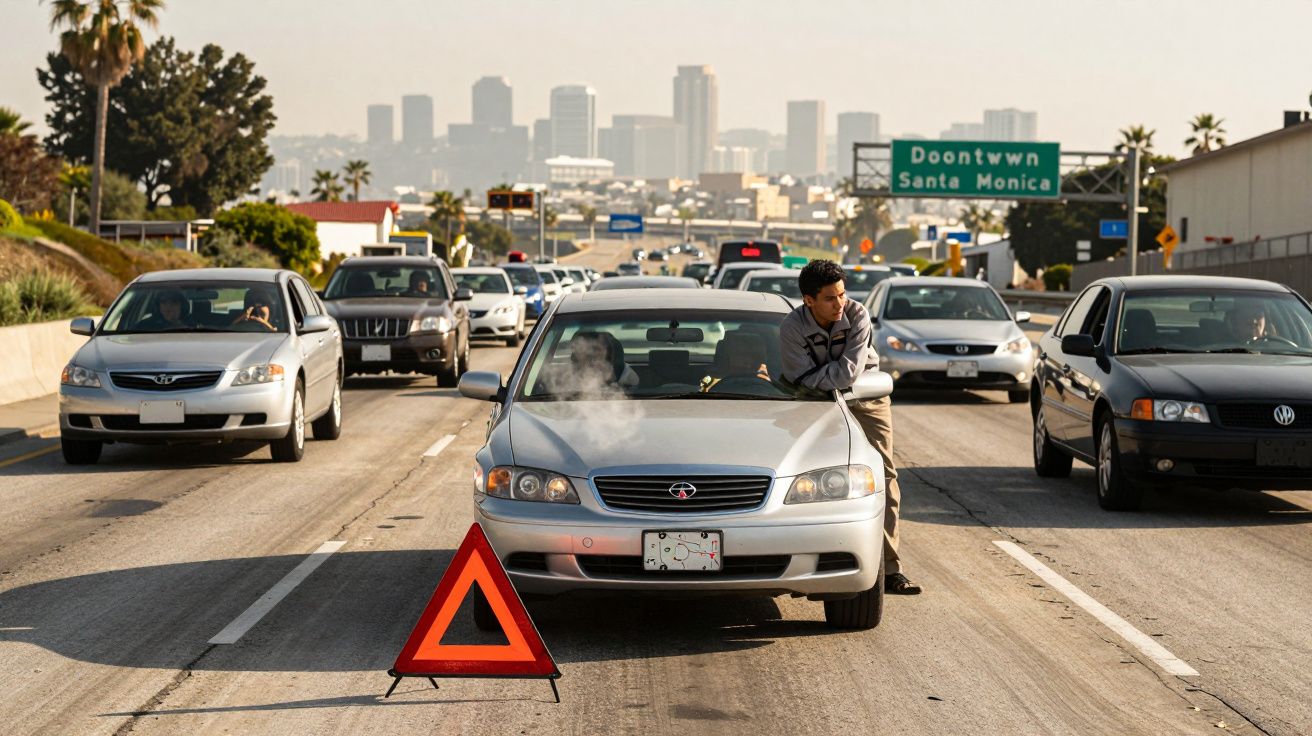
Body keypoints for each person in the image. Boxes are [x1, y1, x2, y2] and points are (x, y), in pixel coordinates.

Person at [779, 259, 921, 595]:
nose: (839, 303)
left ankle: (890, 569)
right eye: (830, 298)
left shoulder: (857, 314)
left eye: (842, 294)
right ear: (808, 300)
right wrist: (824, 380)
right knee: (810, 480)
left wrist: (821, 377)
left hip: (867, 399)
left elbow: (849, 373)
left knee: (885, 476)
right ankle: (815, 562)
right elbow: (800, 377)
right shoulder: (791, 327)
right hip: (813, 403)